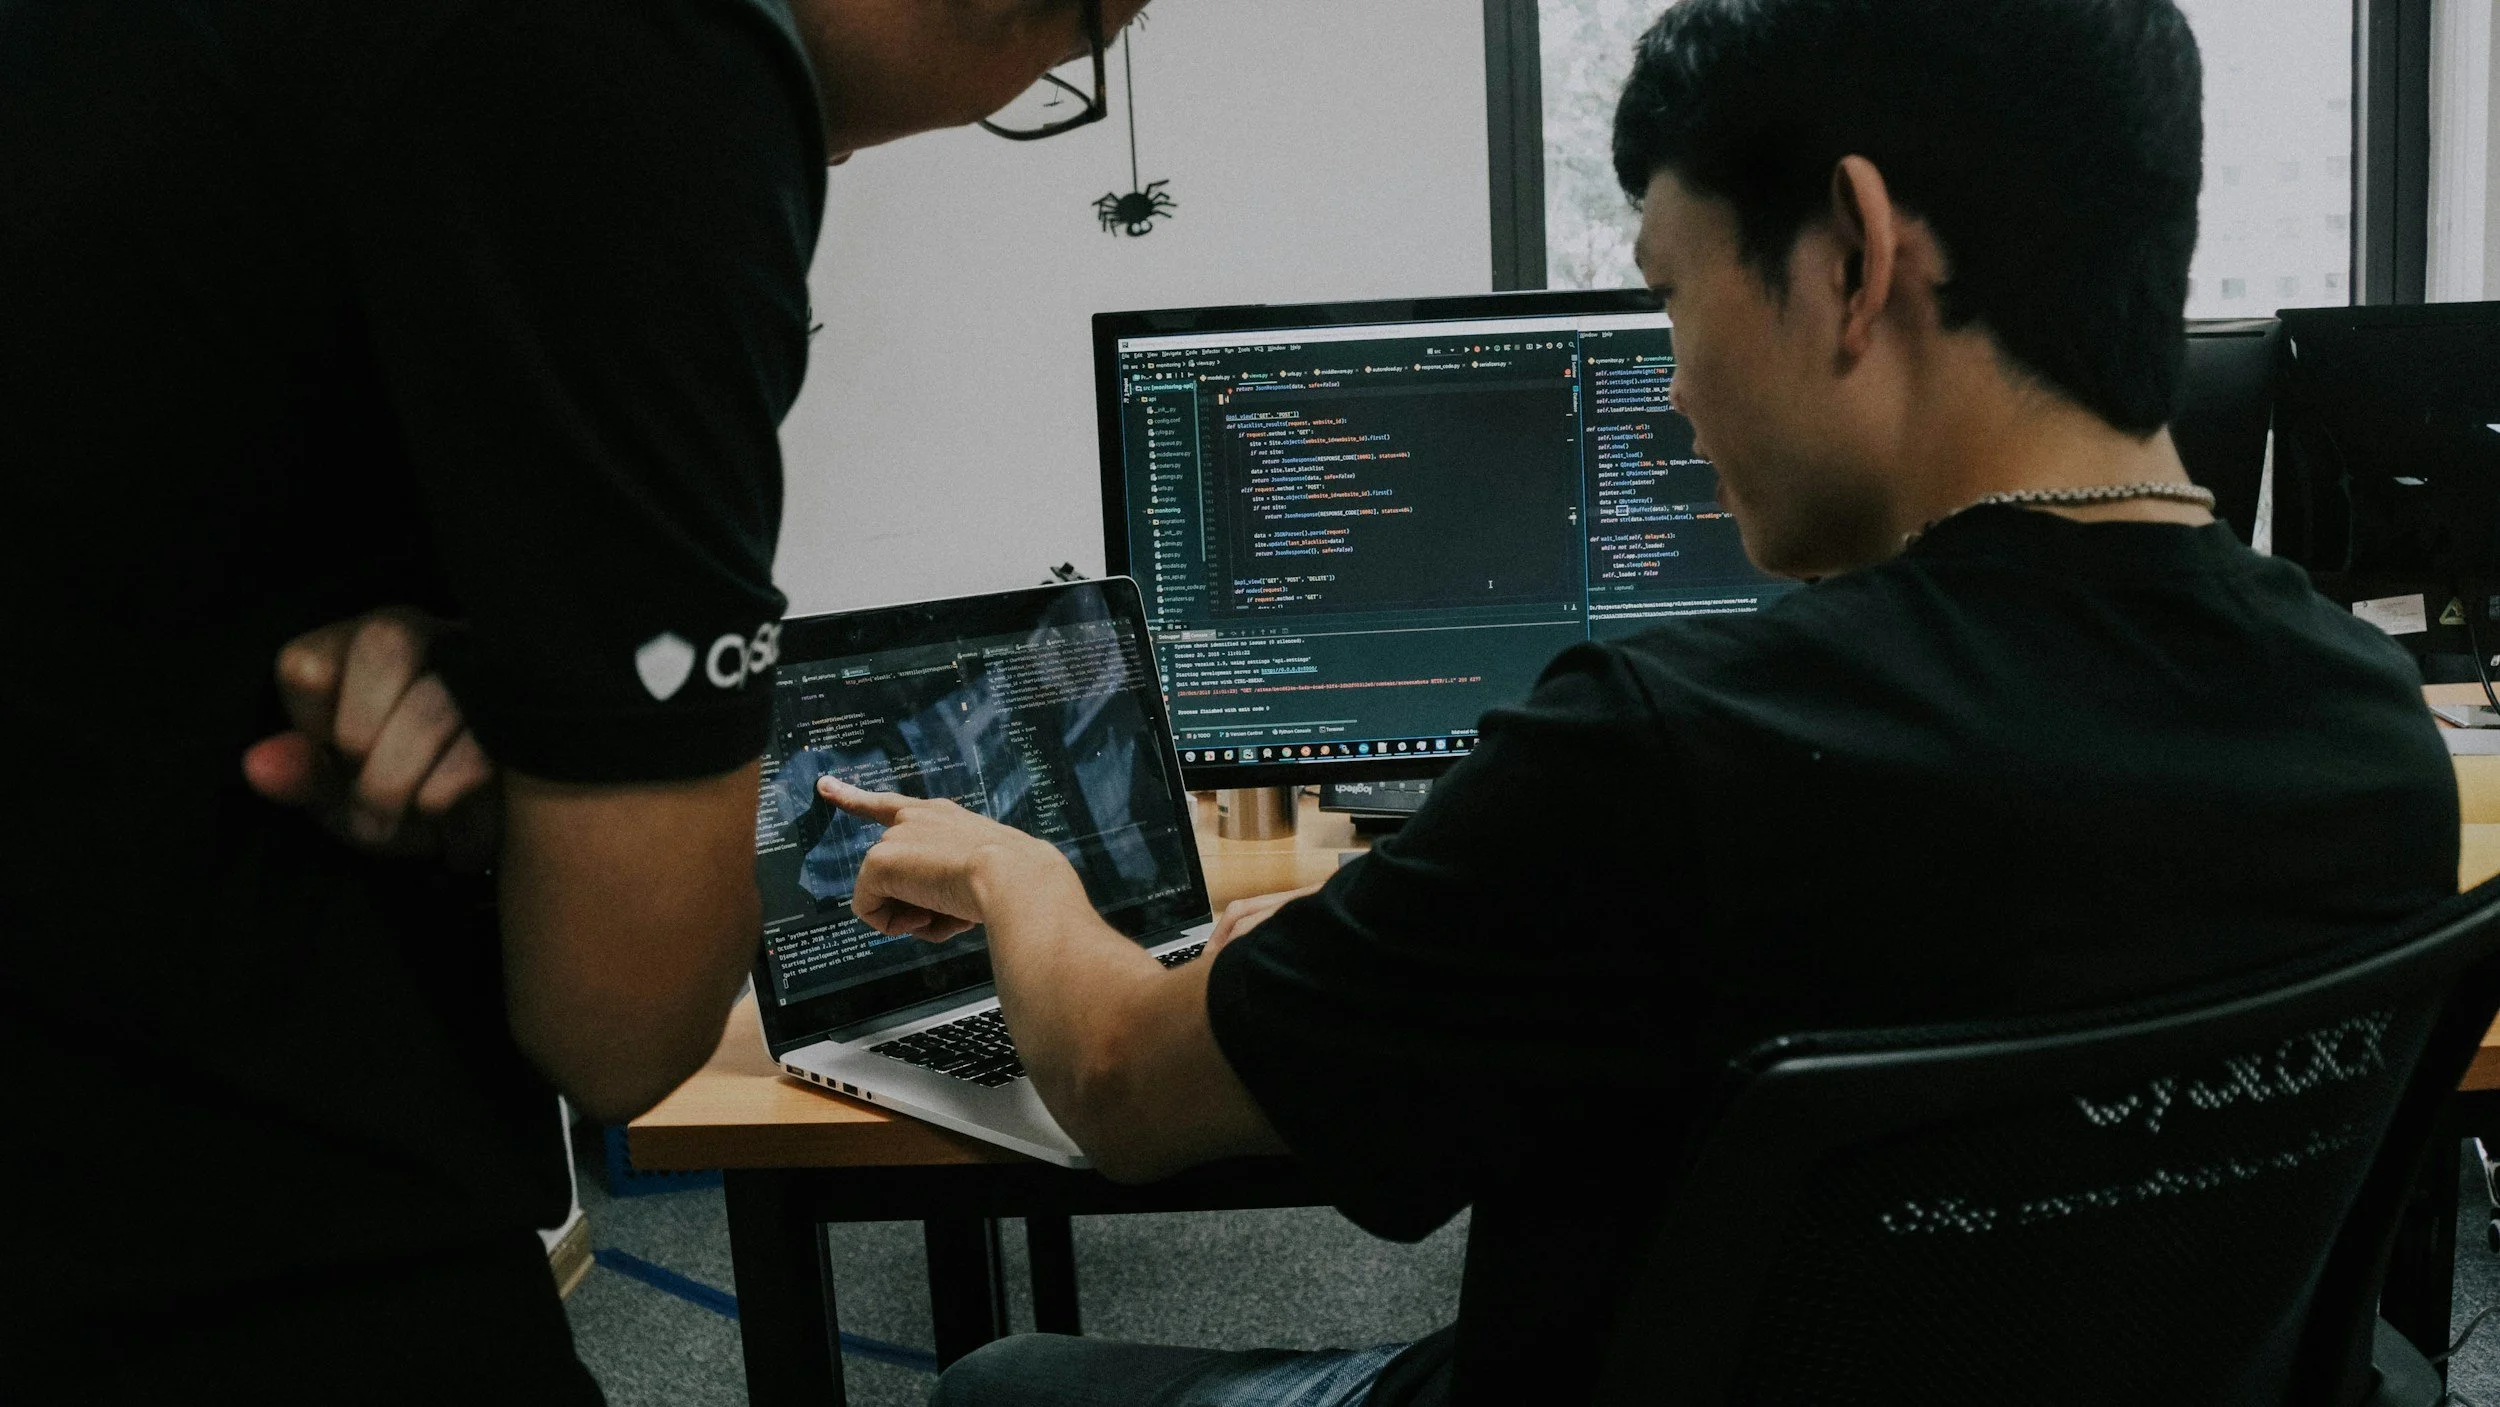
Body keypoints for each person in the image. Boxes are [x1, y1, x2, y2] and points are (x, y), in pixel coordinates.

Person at [802, 3, 2464, 1406]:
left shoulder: (1665, 756)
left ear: (1855, 256)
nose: (1668, 384)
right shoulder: (2373, 737)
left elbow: (1117, 1078)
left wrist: (1017, 873)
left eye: (1672, 298)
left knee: (1006, 1382)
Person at [1, 0, 1142, 1399]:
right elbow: (624, 1012)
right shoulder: (657, 57)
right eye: (1067, 58)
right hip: (191, 1177)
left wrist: (519, 694)